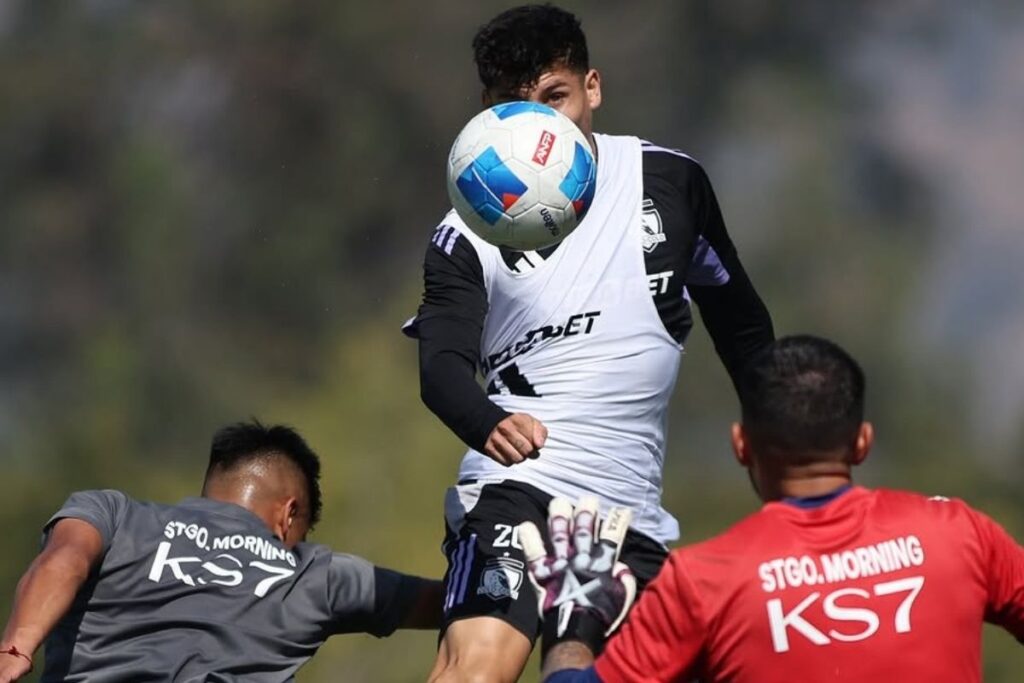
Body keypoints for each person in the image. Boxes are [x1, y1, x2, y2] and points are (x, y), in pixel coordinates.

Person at [402, 4, 774, 681]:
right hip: (515, 489)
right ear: (488, 114)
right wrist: (487, 421)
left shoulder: (671, 182)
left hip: (629, 513)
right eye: (518, 109)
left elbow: (743, 327)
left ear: (593, 87)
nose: (541, 129)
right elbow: (442, 369)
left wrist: (781, 451)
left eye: (555, 99)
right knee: (477, 664)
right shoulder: (464, 229)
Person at [528, 335, 1024, 682]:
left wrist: (573, 622)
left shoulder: (703, 582)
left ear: (741, 446)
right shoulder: (959, 534)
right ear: (863, 443)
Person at [0, 421, 442, 682]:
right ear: (289, 515)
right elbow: (450, 602)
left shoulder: (112, 513)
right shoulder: (317, 577)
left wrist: (16, 649)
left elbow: (63, 561)